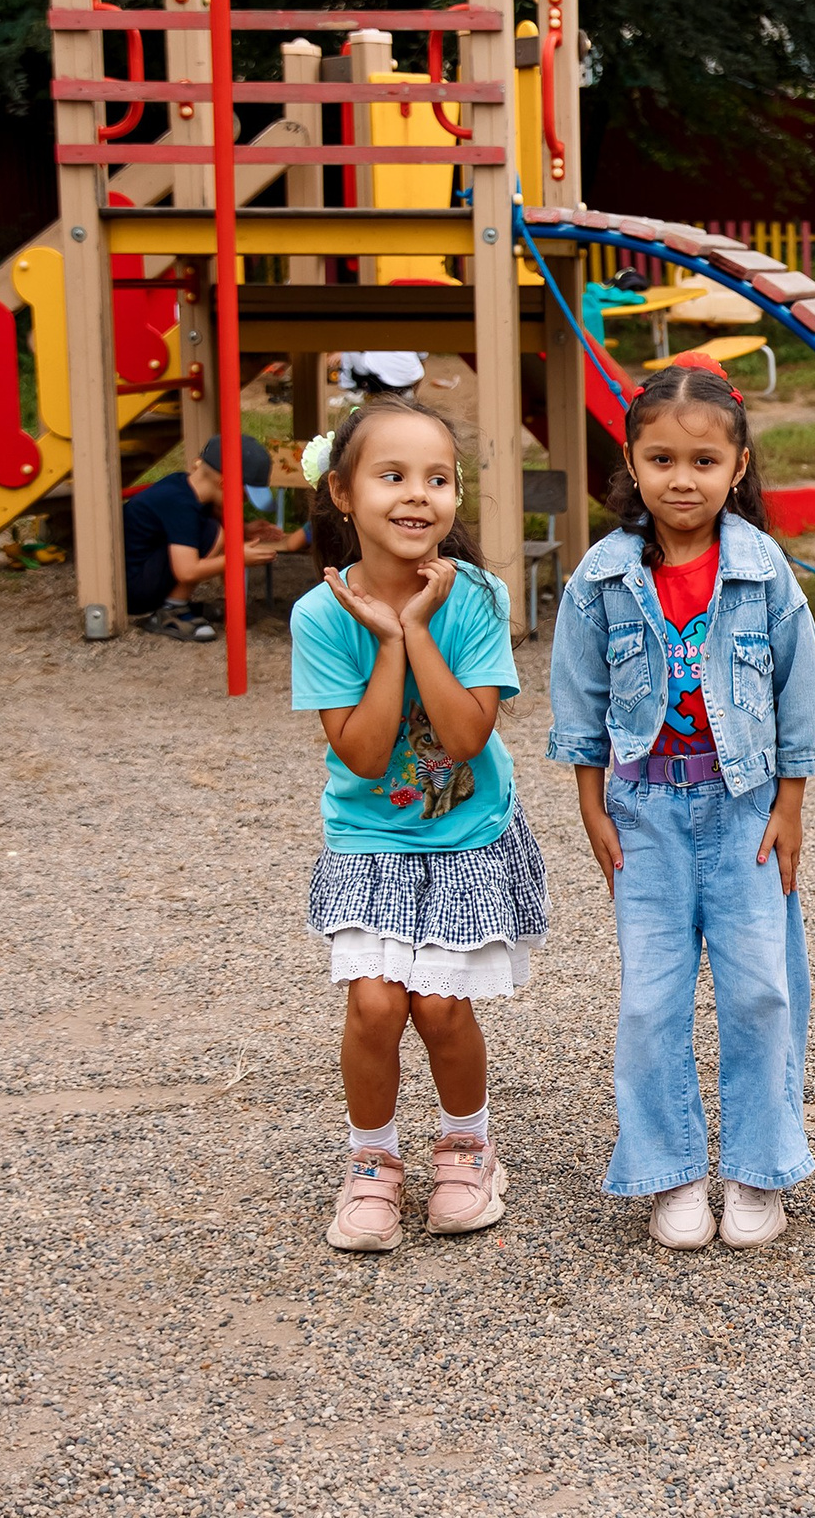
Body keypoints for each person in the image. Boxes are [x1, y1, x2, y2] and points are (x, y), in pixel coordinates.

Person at [547, 355, 815, 1252]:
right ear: (630, 463)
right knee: (649, 1000)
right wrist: (591, 803)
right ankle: (668, 1171)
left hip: (745, 808)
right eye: (662, 459)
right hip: (645, 813)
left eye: (704, 462)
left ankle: (756, 1167)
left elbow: (799, 693)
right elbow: (577, 694)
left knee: (760, 991)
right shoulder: (601, 575)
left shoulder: (761, 569)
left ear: (738, 467)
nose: (683, 478)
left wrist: (791, 804)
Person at [290, 396, 543, 1252]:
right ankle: (371, 1163)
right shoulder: (320, 616)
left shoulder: (475, 596)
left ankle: (469, 1144)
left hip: (466, 832)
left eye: (437, 478)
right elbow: (363, 757)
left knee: (438, 1006)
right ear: (343, 491)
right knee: (372, 1003)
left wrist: (417, 628)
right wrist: (386, 644)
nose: (416, 496)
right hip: (372, 839)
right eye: (392, 475)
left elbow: (468, 736)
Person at [122, 434, 298, 640]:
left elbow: (199, 518)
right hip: (135, 591)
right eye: (245, 494)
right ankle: (171, 611)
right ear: (224, 483)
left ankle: (175, 604)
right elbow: (187, 572)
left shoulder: (182, 487)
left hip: (141, 575)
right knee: (214, 532)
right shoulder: (178, 505)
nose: (247, 500)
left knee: (212, 528)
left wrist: (244, 529)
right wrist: (237, 558)